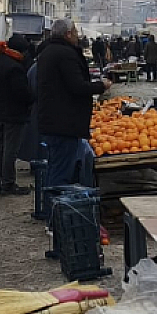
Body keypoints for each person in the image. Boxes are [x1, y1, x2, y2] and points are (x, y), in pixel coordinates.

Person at [33, 20, 112, 190]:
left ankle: (52, 208)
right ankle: (56, 211)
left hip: (54, 121)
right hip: (64, 123)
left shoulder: (48, 52)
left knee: (56, 168)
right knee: (61, 173)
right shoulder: (65, 54)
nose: (77, 35)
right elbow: (77, 86)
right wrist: (100, 86)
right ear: (68, 34)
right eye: (75, 32)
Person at [0, 34, 34, 195]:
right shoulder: (15, 67)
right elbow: (22, 93)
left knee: (0, 147)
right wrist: (33, 98)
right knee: (10, 150)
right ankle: (8, 183)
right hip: (13, 114)